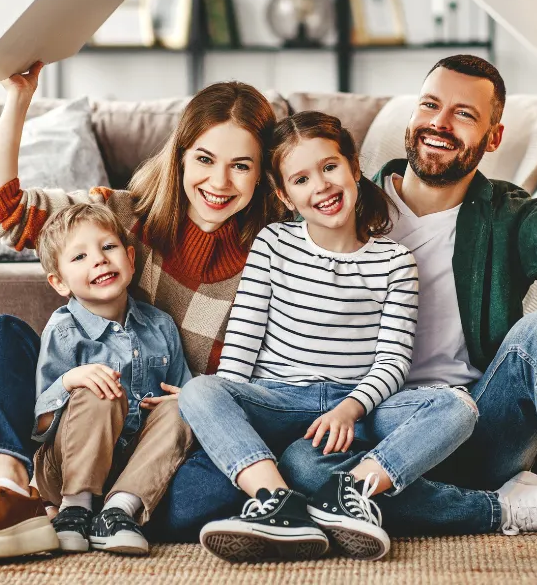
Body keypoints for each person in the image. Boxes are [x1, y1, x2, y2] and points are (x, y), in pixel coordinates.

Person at [276, 25, 537, 571]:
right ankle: (512, 508)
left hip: (477, 425)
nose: (439, 124)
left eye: (464, 116)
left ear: (492, 138)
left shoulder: (506, 215)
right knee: (304, 469)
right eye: (430, 105)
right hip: (378, 428)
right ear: (410, 117)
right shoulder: (343, 205)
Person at [0, 64, 286, 564]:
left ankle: (95, 508)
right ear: (180, 157)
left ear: (263, 172)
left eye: (241, 165)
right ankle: (7, 489)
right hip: (78, 429)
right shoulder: (119, 218)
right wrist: (18, 97)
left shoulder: (276, 253)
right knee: (4, 334)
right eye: (204, 159)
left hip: (167, 440)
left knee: (207, 500)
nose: (219, 182)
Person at [179, 112, 477, 564]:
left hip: (354, 411)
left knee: (456, 406)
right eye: (300, 178)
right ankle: (280, 502)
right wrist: (227, 411)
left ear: (354, 167)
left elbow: (393, 362)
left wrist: (349, 408)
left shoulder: (395, 262)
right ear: (284, 194)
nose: (320, 185)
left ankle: (352, 489)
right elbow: (241, 346)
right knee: (200, 392)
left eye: (330, 167)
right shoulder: (273, 244)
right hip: (278, 400)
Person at [0, 203, 196, 563]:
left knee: (184, 407)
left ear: (131, 258)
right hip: (66, 465)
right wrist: (71, 380)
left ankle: (119, 511)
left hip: (135, 463)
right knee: (100, 389)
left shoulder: (161, 325)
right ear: (59, 282)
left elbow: (181, 391)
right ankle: (72, 509)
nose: (99, 260)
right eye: (79, 256)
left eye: (108, 247)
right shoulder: (63, 331)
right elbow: (39, 426)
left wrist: (180, 403)